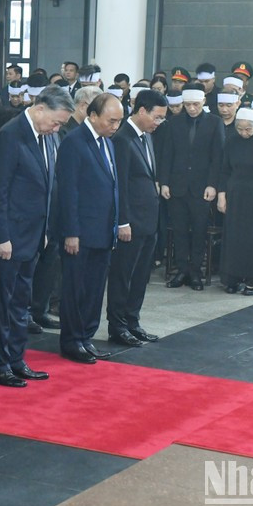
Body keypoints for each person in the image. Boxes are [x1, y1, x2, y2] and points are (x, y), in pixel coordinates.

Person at [0, 86, 74, 385]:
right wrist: (1, 237)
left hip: (34, 236)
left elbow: (48, 188)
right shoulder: (11, 135)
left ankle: (16, 358)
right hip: (10, 238)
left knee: (21, 302)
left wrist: (46, 230)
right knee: (2, 303)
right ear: (39, 107)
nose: (58, 128)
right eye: (56, 121)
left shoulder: (47, 137)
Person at [57, 93, 122, 363]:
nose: (116, 126)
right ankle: (72, 340)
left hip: (103, 231)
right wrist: (71, 232)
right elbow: (68, 191)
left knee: (95, 289)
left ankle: (86, 337)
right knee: (76, 288)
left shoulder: (108, 143)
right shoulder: (74, 142)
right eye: (111, 121)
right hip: (80, 233)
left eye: (119, 121)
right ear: (92, 116)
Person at [106, 90, 168, 349]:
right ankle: (117, 326)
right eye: (157, 117)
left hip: (148, 222)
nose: (159, 122)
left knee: (141, 276)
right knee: (123, 276)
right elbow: (119, 184)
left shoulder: (146, 137)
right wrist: (123, 222)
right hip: (130, 224)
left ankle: (133, 321)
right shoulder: (123, 139)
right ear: (141, 111)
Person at [160, 84, 225, 291]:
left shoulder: (215, 123)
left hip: (202, 187)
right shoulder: (174, 122)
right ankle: (181, 270)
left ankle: (195, 271)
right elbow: (166, 154)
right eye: (187, 105)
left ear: (203, 101)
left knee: (199, 231)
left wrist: (213, 185)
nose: (192, 108)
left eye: (195, 104)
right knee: (179, 231)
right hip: (177, 185)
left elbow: (218, 157)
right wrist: (164, 182)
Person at [217, 108, 253, 295]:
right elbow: (225, 170)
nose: (244, 133)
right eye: (240, 129)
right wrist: (222, 195)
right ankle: (232, 278)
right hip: (235, 194)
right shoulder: (231, 141)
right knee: (234, 236)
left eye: (248, 130)